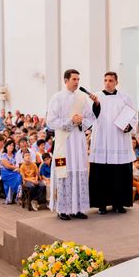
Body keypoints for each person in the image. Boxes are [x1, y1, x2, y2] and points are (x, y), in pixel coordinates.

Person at [46, 69, 94, 220]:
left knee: (79, 171)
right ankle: (63, 210)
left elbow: (90, 117)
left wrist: (81, 121)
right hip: (63, 143)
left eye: (78, 79)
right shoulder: (57, 98)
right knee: (63, 172)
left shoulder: (81, 98)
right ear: (66, 80)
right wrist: (70, 121)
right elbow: (51, 121)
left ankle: (78, 208)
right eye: (74, 79)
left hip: (78, 141)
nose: (77, 82)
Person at [88, 72, 137, 214]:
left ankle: (119, 203)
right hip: (102, 139)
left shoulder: (125, 97)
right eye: (105, 80)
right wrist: (96, 105)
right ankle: (102, 205)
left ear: (116, 82)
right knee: (102, 174)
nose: (107, 83)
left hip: (119, 139)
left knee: (119, 174)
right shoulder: (96, 96)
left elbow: (133, 114)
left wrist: (128, 126)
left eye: (110, 80)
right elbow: (90, 117)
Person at [0, 140, 22, 204]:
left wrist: (18, 168)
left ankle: (18, 195)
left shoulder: (16, 154)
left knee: (19, 176)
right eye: (9, 145)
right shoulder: (4, 155)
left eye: (12, 145)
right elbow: (7, 166)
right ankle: (18, 195)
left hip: (15, 171)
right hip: (6, 172)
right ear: (6, 146)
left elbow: (20, 163)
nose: (11, 147)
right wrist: (17, 167)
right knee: (17, 176)